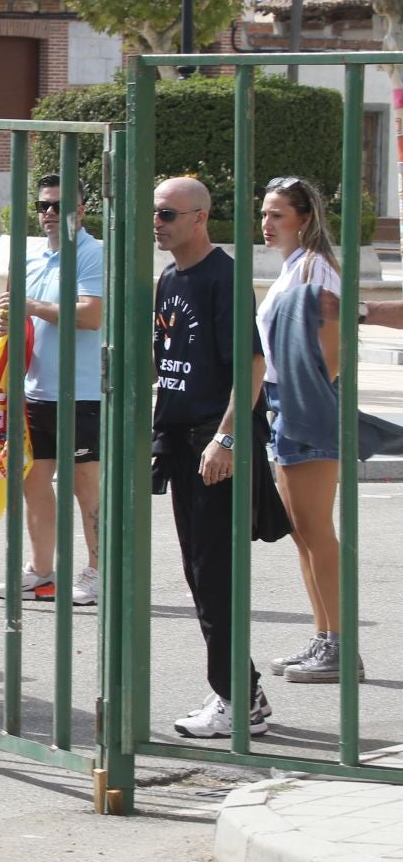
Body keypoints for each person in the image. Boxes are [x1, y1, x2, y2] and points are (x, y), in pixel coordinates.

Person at [152, 176, 270, 739]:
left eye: (169, 213)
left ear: (199, 217)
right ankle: (244, 691)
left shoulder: (224, 278)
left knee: (213, 576)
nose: (158, 221)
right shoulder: (169, 278)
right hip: (179, 441)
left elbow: (251, 366)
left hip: (213, 443)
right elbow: (165, 359)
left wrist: (225, 439)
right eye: (156, 212)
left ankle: (233, 700)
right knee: (199, 575)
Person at [254, 176, 359, 685]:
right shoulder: (295, 267)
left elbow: (333, 345)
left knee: (316, 529)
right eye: (265, 214)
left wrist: (308, 398)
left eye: (277, 214)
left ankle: (340, 644)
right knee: (303, 531)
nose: (267, 223)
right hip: (286, 401)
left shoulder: (316, 270)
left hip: (304, 402)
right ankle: (324, 639)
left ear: (304, 218)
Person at [0, 174, 105, 605]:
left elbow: (91, 315)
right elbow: (16, 315)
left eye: (59, 205)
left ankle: (98, 570)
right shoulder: (33, 256)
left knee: (83, 483)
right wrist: (6, 323)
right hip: (35, 388)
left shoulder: (92, 254)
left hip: (83, 391)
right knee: (32, 480)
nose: (50, 213)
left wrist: (31, 307)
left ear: (82, 208)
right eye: (43, 206)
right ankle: (41, 570)